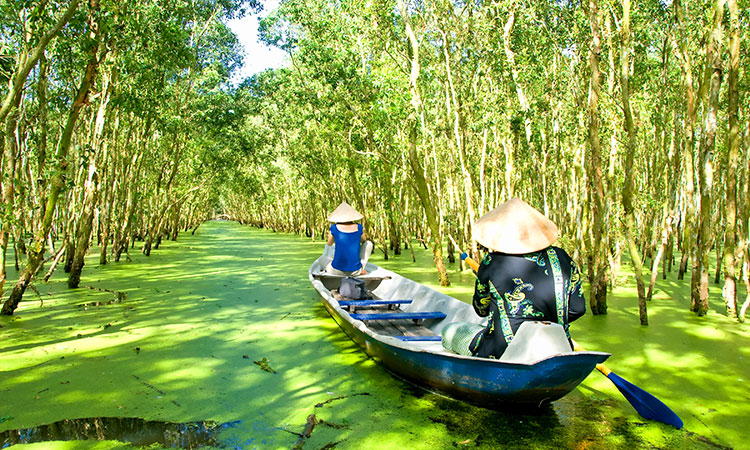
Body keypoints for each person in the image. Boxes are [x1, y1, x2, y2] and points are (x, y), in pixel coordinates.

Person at [441, 198, 586, 358]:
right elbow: (577, 309)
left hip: (503, 352)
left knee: (448, 331)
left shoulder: (491, 261)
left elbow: (481, 309)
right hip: (558, 349)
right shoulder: (562, 258)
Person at [325, 202, 373, 276]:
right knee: (369, 244)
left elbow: (329, 244)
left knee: (322, 260)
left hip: (336, 271)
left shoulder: (334, 228)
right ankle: (361, 269)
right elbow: (364, 241)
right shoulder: (359, 227)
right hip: (355, 271)